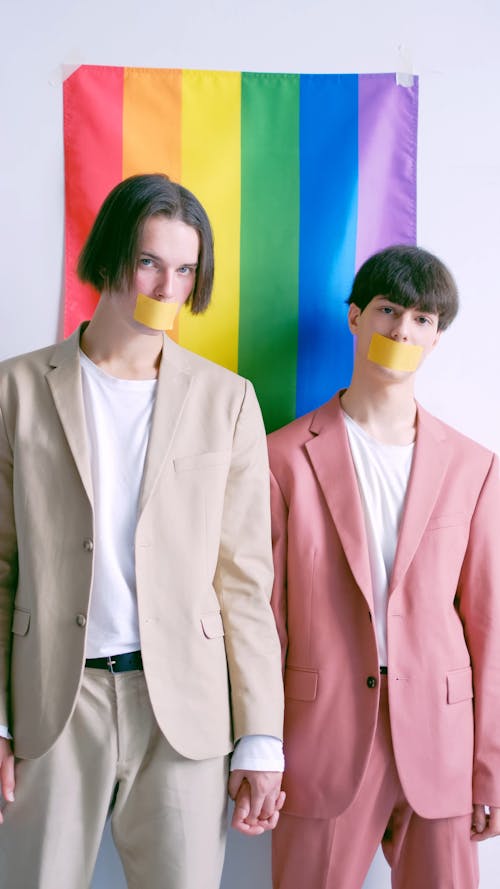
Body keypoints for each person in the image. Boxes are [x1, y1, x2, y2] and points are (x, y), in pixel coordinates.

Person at [0, 173, 285, 889]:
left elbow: (246, 582)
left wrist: (261, 737)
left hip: (184, 712)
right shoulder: (17, 390)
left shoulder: (228, 400)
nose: (167, 283)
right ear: (111, 256)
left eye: (186, 268)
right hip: (54, 707)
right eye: (151, 260)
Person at [268, 245, 500, 889]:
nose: (403, 330)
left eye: (423, 319)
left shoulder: (474, 467)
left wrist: (490, 765)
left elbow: (488, 626)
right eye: (389, 310)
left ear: (436, 338)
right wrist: (257, 745)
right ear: (355, 318)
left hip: (442, 736)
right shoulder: (282, 458)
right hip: (323, 734)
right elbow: (265, 620)